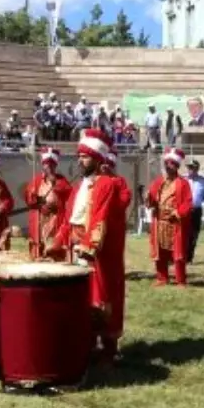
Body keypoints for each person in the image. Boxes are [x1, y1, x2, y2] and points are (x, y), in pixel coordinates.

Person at [51, 129, 126, 365]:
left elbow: (100, 219)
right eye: (79, 156)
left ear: (97, 157)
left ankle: (108, 349)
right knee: (82, 297)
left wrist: (89, 246)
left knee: (101, 297)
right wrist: (58, 241)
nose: (80, 160)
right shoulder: (80, 185)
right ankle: (87, 343)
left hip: (96, 251)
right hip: (77, 248)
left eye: (85, 156)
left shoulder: (106, 184)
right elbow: (69, 217)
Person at [145, 147, 193, 286]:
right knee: (160, 251)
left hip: (175, 222)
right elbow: (152, 201)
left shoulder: (183, 183)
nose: (168, 166)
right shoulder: (159, 182)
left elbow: (187, 203)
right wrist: (148, 197)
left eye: (171, 163)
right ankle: (162, 278)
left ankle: (180, 280)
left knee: (178, 253)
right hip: (160, 221)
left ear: (176, 165)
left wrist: (178, 213)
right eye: (167, 163)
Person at [24, 147, 72, 261]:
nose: (49, 167)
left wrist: (54, 183)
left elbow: (69, 196)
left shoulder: (61, 180)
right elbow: (29, 199)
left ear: (55, 166)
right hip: (39, 221)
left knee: (53, 250)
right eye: (46, 165)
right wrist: (36, 201)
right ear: (42, 165)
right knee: (38, 249)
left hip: (55, 221)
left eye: (52, 165)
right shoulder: (36, 181)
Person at [184, 159, 204, 263]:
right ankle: (183, 255)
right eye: (189, 167)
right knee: (184, 233)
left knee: (194, 234)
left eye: (192, 168)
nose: (190, 170)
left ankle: (189, 257)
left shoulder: (203, 181)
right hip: (185, 210)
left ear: (197, 169)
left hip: (196, 210)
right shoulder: (183, 180)